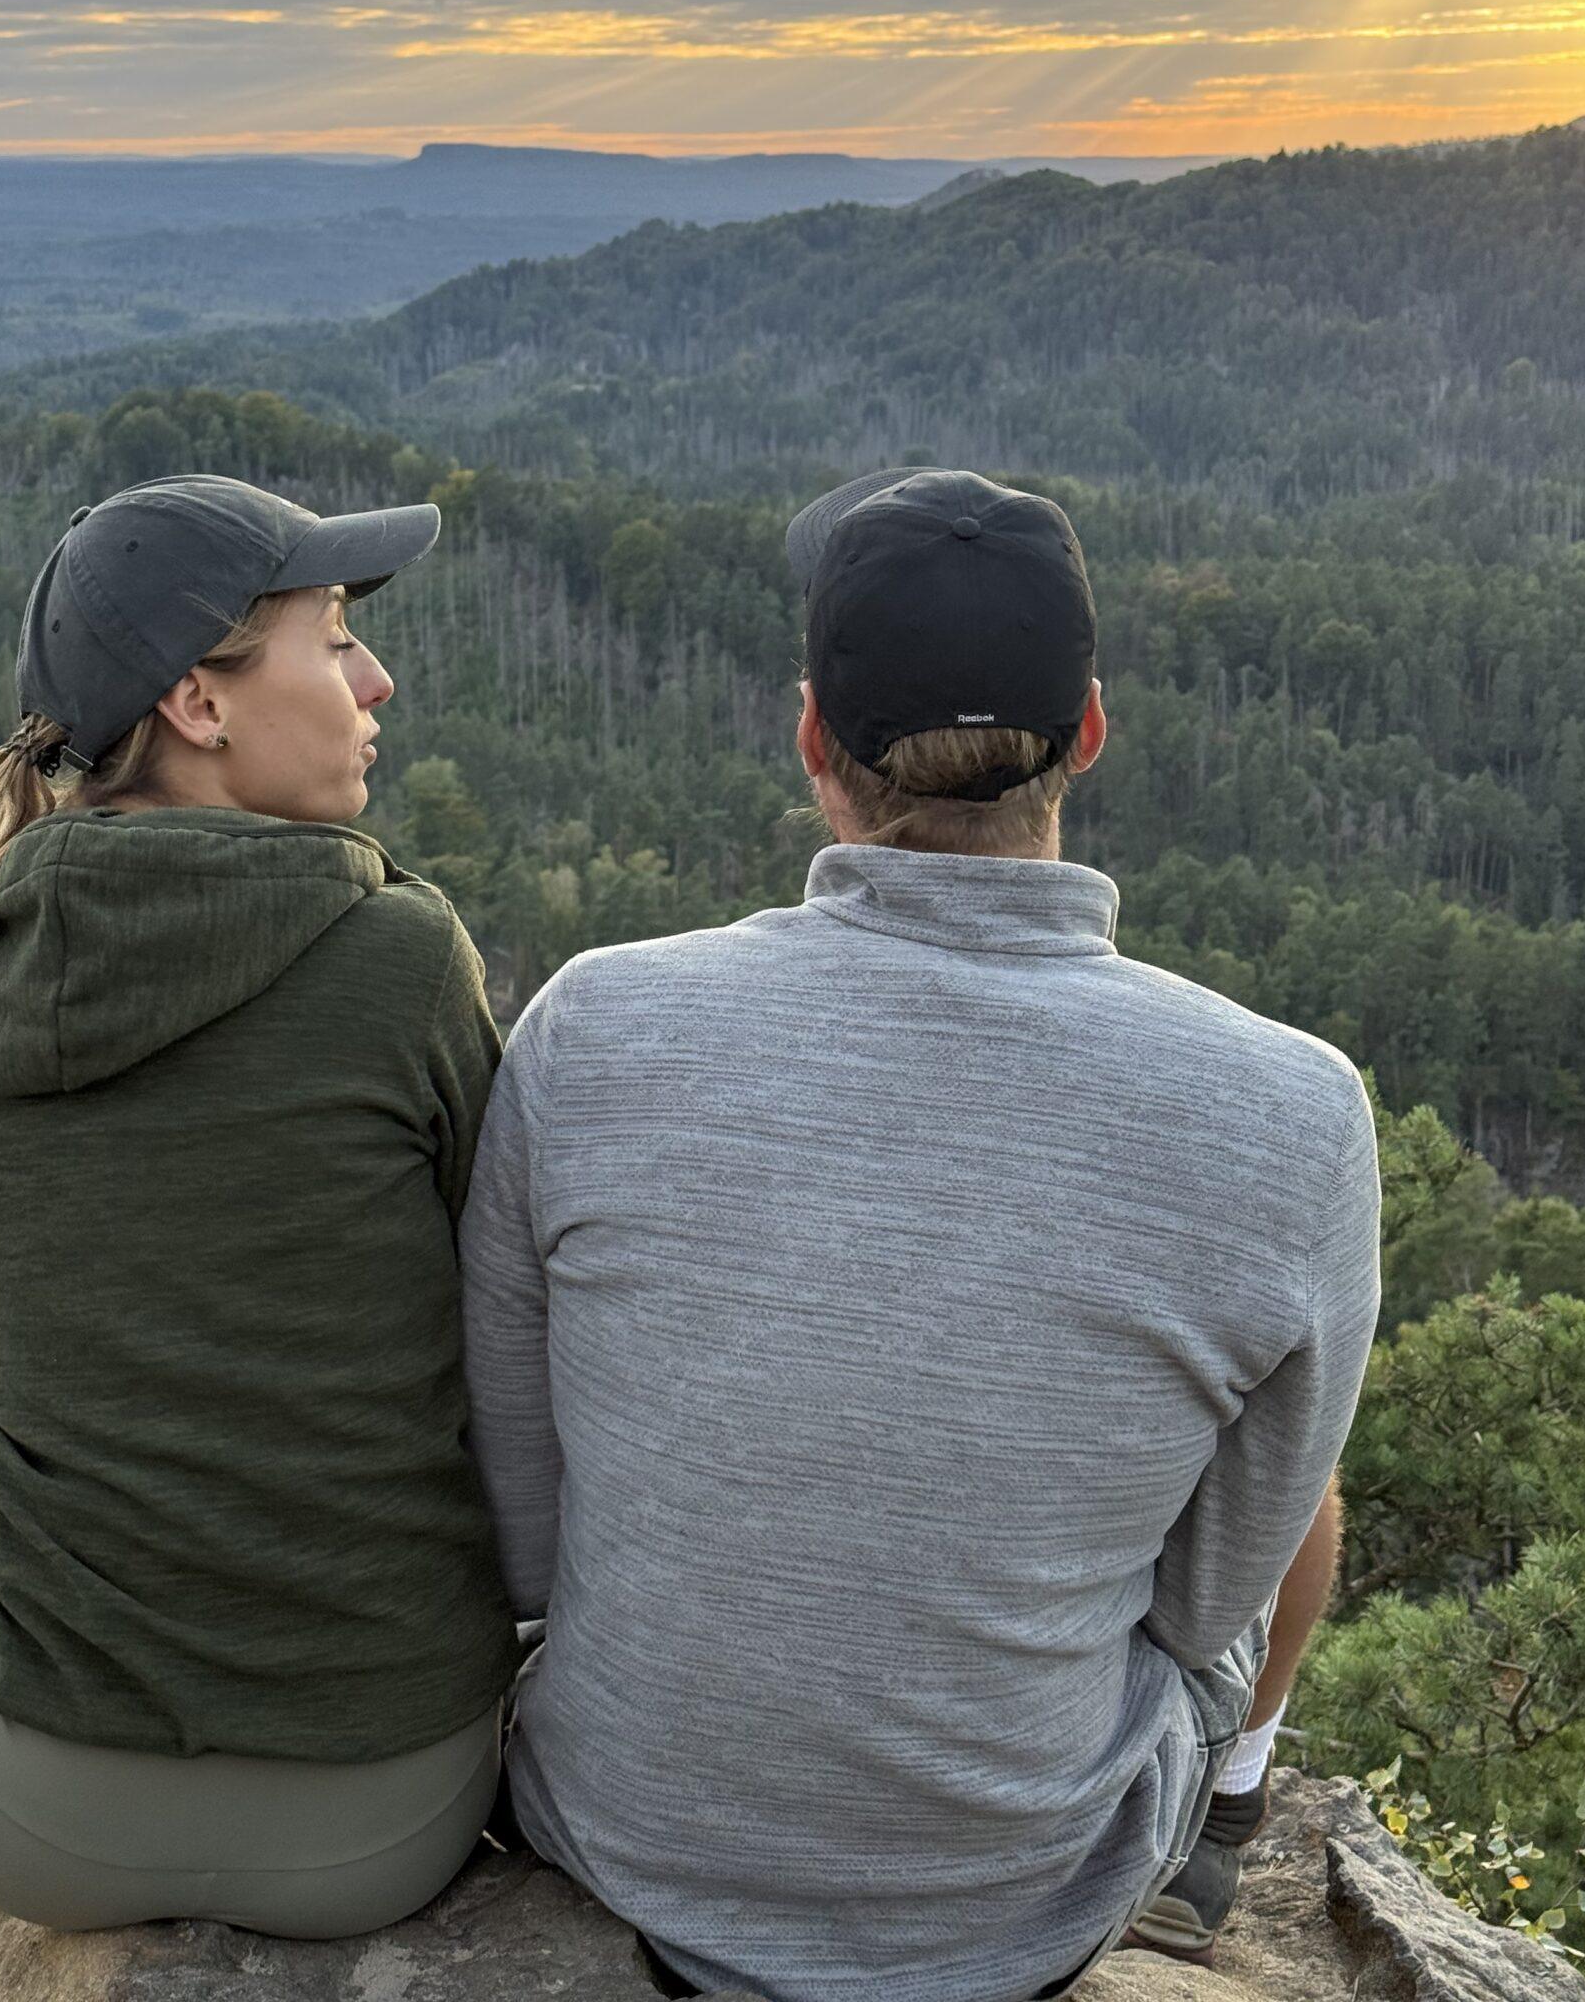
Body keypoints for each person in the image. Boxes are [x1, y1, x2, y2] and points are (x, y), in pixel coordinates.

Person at [460, 467, 1382, 2002]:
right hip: (1013, 1908)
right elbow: (1207, 1601)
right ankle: (1230, 1809)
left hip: (621, 1832)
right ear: (1087, 730)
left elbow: (524, 1524)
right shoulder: (1292, 1112)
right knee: (1297, 1459)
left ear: (815, 737)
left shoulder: (595, 1024)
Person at [0, 475, 519, 1934]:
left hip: (17, 1814)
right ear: (199, 705)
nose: (379, 677)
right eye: (338, 633)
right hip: (395, 1811)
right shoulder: (406, 959)